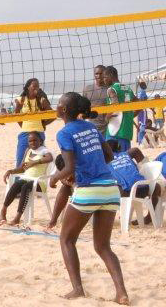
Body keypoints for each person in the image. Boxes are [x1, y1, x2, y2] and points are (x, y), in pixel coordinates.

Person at [49, 92, 129, 304]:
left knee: (66, 240)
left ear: (64, 110)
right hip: (110, 188)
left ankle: (78, 289)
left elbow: (69, 167)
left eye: (59, 103)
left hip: (89, 190)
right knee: (103, 246)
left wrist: (54, 178)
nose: (56, 106)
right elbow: (109, 156)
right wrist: (92, 166)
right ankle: (121, 293)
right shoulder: (91, 127)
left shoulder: (64, 133)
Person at [0, 132, 53, 226]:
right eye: (30, 141)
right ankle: (3, 210)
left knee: (25, 187)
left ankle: (17, 218)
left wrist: (34, 162)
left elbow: (50, 158)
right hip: (27, 178)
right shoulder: (28, 150)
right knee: (17, 184)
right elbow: (22, 168)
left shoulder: (44, 151)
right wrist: (11, 171)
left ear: (40, 141)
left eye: (35, 140)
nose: (32, 143)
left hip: (39, 182)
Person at [106, 140, 161, 225]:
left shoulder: (105, 161)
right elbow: (135, 150)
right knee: (157, 187)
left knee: (110, 187)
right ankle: (149, 217)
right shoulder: (126, 154)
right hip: (143, 188)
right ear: (119, 148)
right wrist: (145, 164)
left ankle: (123, 214)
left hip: (126, 192)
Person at [14, 78, 53, 167]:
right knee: (20, 160)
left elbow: (53, 115)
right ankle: (19, 175)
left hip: (39, 133)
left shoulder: (42, 100)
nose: (36, 88)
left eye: (38, 86)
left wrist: (44, 124)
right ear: (28, 87)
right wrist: (23, 126)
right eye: (34, 86)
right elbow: (16, 116)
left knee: (38, 159)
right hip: (25, 133)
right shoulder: (21, 100)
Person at [103, 66, 136, 153]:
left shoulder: (111, 89)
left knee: (112, 158)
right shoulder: (128, 88)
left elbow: (115, 106)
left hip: (115, 131)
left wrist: (106, 117)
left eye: (105, 77)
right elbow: (139, 103)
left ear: (111, 75)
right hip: (127, 130)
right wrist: (131, 115)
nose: (104, 80)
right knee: (125, 158)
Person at [44, 154, 74, 233]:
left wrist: (70, 181)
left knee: (68, 186)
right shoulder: (61, 163)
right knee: (65, 188)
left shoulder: (80, 164)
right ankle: (53, 221)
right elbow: (51, 181)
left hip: (90, 188)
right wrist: (65, 180)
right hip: (75, 189)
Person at [82, 65, 109, 135]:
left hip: (107, 127)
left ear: (105, 74)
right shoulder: (87, 89)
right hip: (91, 126)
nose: (99, 76)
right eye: (97, 74)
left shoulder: (110, 89)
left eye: (101, 73)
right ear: (94, 75)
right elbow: (82, 109)